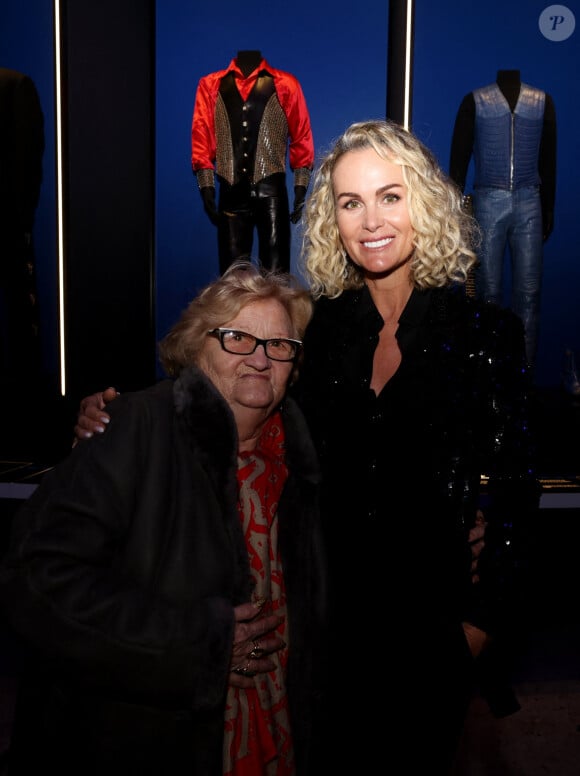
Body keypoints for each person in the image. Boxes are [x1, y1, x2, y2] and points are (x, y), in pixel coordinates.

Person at [73, 120, 540, 772]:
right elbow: (235, 385)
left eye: (390, 196)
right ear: (332, 219)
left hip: (431, 630)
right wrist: (127, 411)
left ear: (424, 204)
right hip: (320, 625)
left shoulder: (488, 334)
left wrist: (478, 628)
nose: (370, 219)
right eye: (350, 202)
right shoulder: (314, 331)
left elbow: (517, 493)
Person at [0, 262, 327, 776]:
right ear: (197, 347)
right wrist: (199, 645)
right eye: (238, 337)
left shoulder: (305, 466)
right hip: (138, 740)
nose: (261, 359)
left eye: (280, 346)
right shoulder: (134, 427)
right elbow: (37, 579)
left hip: (278, 736)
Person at [449, 69, 557, 370]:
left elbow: (549, 159)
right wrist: (455, 209)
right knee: (488, 293)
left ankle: (524, 373)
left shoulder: (541, 101)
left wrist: (548, 207)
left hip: (530, 201)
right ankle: (489, 372)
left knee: (529, 294)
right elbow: (459, 157)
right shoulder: (476, 100)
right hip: (488, 201)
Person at [191, 50, 314, 274]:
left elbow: (301, 134)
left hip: (272, 192)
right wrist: (206, 186)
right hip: (230, 192)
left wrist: (300, 185)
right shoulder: (210, 85)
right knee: (232, 280)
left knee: (277, 274)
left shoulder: (285, 84)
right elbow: (202, 134)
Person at [0, 67, 45, 395]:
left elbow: (28, 165)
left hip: (9, 231)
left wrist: (20, 222)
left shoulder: (14, 85)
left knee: (19, 328)